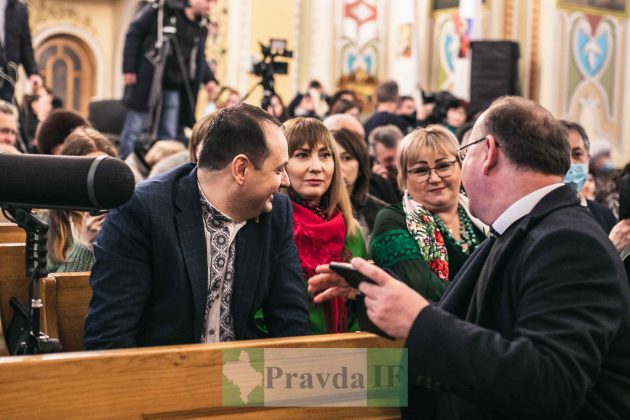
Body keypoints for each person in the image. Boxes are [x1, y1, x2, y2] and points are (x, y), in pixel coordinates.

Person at [310, 96, 630, 419]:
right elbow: (471, 320)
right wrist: (376, 294)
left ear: (488, 153)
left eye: (462, 156)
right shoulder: (524, 227)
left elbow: (548, 382)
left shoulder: (566, 241)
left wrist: (419, 319)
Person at [84, 104, 309, 349]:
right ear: (241, 169)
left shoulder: (276, 214)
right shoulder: (141, 211)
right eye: (278, 170)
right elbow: (110, 338)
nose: (286, 181)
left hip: (242, 378)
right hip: (162, 377)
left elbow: (291, 322)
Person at [370, 125, 486, 301]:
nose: (434, 178)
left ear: (460, 166)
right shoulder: (392, 220)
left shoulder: (482, 214)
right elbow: (423, 292)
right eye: (421, 170)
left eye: (444, 166)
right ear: (404, 177)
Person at [283, 117, 362, 334]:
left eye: (325, 155)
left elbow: (360, 311)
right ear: (281, 164)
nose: (317, 167)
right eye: (302, 155)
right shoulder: (269, 227)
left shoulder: (350, 230)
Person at [118, 0, 217, 159]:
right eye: (208, 0)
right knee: (134, 130)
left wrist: (210, 80)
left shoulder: (200, 26)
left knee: (169, 134)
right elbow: (134, 33)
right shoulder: (162, 11)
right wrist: (129, 67)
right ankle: (123, 169)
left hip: (175, 87)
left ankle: (161, 171)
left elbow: (199, 59)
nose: (211, 5)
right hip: (148, 82)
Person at [46, 127, 118, 273]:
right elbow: (50, 291)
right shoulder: (48, 220)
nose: (96, 179)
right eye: (89, 171)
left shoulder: (124, 211)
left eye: (104, 170)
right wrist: (85, 244)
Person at [560, 120, 616, 234]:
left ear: (588, 160)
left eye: (577, 154)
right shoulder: (537, 214)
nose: (570, 162)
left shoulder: (605, 215)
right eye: (563, 154)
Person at [331, 128, 386, 244]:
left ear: (360, 166)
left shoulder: (381, 212)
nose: (338, 167)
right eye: (329, 157)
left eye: (346, 158)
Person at [0, 0, 42, 103]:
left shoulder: (20, 9)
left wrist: (33, 72)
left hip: (8, 73)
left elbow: (25, 44)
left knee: (7, 110)